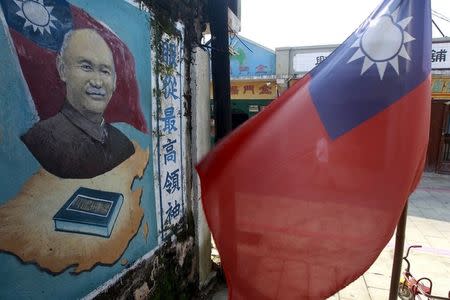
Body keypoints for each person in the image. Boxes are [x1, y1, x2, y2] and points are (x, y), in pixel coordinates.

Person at [21, 29, 135, 179]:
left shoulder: (123, 144)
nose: (97, 82)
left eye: (105, 71)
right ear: (62, 69)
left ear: (114, 81)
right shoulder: (40, 141)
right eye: (86, 67)